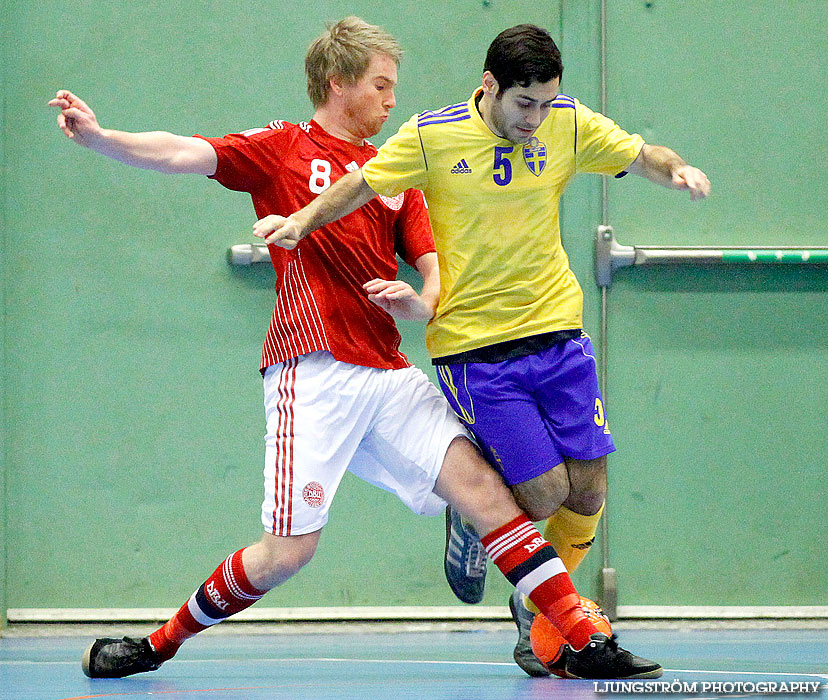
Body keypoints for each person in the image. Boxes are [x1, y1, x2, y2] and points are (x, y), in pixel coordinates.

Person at [48, 18, 663, 681]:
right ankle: (156, 645)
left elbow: (432, 274)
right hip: (312, 370)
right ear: (338, 84)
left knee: (490, 496)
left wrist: (417, 303)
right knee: (287, 554)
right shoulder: (284, 147)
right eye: (380, 85)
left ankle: (581, 638)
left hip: (388, 373)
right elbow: (182, 151)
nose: (392, 100)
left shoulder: (395, 168)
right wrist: (104, 138)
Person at [252, 23, 710, 678]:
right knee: (546, 492)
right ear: (489, 87)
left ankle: (536, 615)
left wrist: (677, 171)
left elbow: (642, 154)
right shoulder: (432, 136)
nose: (537, 118)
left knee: (590, 491)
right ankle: (479, 529)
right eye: (525, 104)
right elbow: (361, 184)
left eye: (548, 103)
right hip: (476, 346)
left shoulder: (567, 125)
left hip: (557, 329)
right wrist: (301, 220)